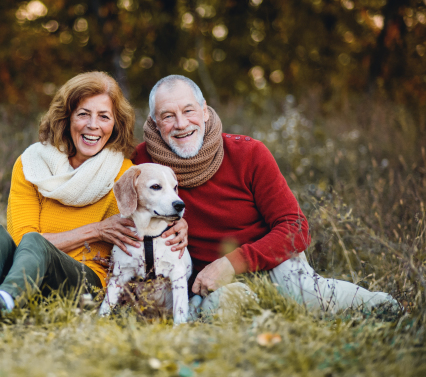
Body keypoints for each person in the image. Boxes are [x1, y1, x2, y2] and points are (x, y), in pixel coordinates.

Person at [0, 72, 188, 328]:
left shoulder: (125, 174)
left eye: (104, 116)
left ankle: (2, 301)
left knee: (35, 242)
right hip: (26, 270)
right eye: (83, 114)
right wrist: (95, 230)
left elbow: (155, 209)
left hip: (85, 282)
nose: (93, 125)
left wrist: (178, 223)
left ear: (115, 124)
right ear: (66, 118)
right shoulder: (31, 165)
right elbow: (22, 240)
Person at [132, 75, 398, 316]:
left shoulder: (249, 154)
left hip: (270, 263)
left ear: (204, 112)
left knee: (305, 294)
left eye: (188, 110)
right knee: (223, 313)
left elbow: (295, 228)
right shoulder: (142, 165)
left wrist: (232, 263)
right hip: (207, 282)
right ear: (155, 123)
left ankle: (380, 306)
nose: (180, 124)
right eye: (167, 116)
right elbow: (124, 212)